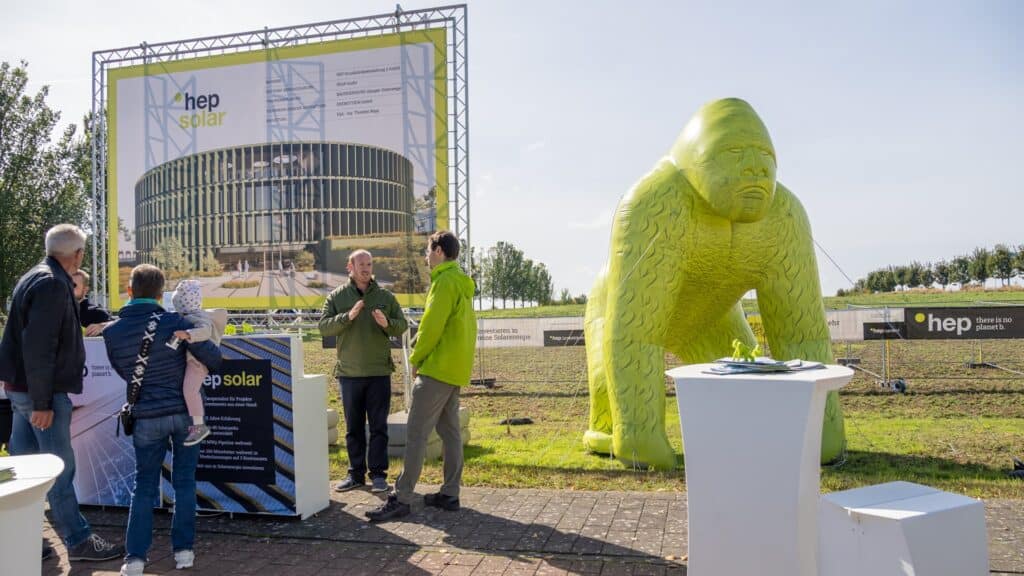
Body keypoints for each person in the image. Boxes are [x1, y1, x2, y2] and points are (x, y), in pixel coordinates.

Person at [0, 223, 125, 561]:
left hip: (22, 390)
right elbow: (39, 347)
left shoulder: (34, 277)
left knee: (25, 468)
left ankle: (24, 538)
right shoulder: (54, 284)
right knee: (57, 469)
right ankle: (78, 539)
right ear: (78, 255)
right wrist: (42, 402)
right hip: (41, 394)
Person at [102, 264, 222, 576]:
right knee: (184, 482)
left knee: (143, 486)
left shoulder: (112, 332)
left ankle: (135, 560)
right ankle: (184, 552)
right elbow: (214, 359)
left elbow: (125, 374)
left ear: (129, 291)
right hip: (185, 415)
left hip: (146, 417)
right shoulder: (175, 321)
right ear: (160, 294)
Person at [366, 231, 476, 522]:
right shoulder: (461, 283)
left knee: (416, 434)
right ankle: (450, 493)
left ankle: (401, 497)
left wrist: (416, 359)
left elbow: (430, 328)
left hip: (436, 370)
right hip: (454, 371)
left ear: (438, 251)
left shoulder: (443, 282)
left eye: (427, 251)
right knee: (451, 433)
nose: (426, 257)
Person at [319, 249, 408, 493]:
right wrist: (348, 316)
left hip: (379, 372)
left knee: (379, 428)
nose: (366, 268)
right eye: (361, 264)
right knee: (353, 429)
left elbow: (402, 326)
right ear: (350, 267)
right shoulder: (337, 296)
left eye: (369, 264)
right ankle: (355, 475)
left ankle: (378, 475)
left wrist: (387, 324)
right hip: (349, 374)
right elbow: (323, 327)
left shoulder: (385, 297)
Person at [167, 279, 227, 446]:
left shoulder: (198, 316)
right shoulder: (187, 316)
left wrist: (187, 334)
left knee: (190, 391)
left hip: (197, 362)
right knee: (190, 391)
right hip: (192, 360)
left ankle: (199, 426)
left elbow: (205, 332)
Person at [71, 269, 112, 336]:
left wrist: (104, 326)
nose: (69, 287)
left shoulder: (97, 313)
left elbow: (120, 328)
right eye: (66, 283)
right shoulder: (56, 311)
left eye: (73, 285)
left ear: (85, 290)